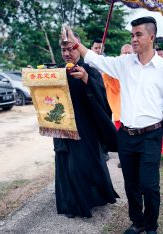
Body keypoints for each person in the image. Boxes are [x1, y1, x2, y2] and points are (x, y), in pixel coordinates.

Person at [64, 16, 163, 234]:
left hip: (151, 135)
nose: (134, 39)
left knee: (149, 185)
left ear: (151, 37)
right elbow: (96, 59)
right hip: (126, 136)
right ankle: (137, 222)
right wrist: (75, 43)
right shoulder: (124, 63)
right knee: (131, 185)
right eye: (132, 35)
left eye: (138, 34)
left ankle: (151, 226)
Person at [54, 33, 119, 218]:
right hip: (63, 126)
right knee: (68, 165)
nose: (67, 53)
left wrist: (86, 79)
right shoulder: (58, 71)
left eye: (70, 49)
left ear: (78, 48)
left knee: (85, 163)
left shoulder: (89, 68)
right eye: (63, 49)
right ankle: (72, 203)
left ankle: (94, 198)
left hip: (85, 126)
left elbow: (102, 97)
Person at [102, 44, 133, 168]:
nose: (126, 55)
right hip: (119, 111)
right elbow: (106, 78)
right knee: (121, 138)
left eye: (129, 53)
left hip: (134, 111)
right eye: (124, 53)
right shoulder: (113, 71)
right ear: (120, 55)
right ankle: (124, 158)